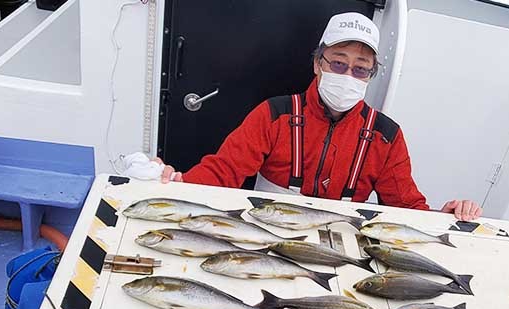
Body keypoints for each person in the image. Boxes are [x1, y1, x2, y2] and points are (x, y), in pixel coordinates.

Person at [158, 12, 482, 221]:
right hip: (266, 234)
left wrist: (447, 216)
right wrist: (174, 183)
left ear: (371, 75)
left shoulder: (387, 136)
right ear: (318, 64)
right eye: (338, 63)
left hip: (339, 251)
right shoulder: (274, 114)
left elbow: (408, 209)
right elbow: (223, 171)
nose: (348, 74)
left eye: (360, 68)